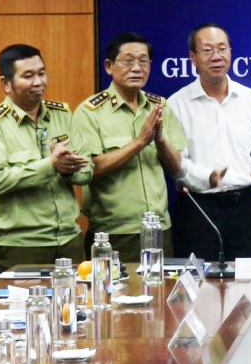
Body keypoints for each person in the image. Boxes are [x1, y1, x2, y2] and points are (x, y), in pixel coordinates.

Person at [71, 32, 186, 264]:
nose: (136, 68)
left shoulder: (159, 107)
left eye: (143, 61)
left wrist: (160, 140)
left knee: (161, 287)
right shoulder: (90, 112)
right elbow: (90, 169)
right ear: (109, 66)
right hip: (114, 233)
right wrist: (140, 142)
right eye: (128, 60)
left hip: (159, 228)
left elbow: (177, 169)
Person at [0, 44, 91, 274]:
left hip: (69, 239)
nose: (38, 82)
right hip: (21, 245)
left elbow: (87, 172)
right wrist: (51, 165)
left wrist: (67, 169)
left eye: (42, 73)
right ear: (6, 84)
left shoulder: (63, 116)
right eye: (28, 76)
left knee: (76, 299)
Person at [168, 23, 251, 261]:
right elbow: (177, 163)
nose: (217, 56)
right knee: (198, 279)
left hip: (244, 205)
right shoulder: (177, 104)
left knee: (249, 279)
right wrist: (208, 176)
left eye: (222, 49)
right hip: (198, 208)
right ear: (193, 57)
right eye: (207, 50)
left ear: (230, 52)